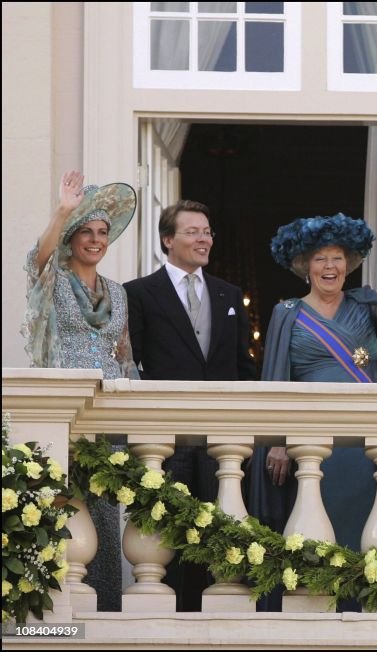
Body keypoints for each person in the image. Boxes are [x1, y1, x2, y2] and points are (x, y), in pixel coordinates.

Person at [249, 211, 377, 611]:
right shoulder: (287, 314)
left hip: (367, 439)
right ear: (304, 266)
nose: (330, 266)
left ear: (349, 264)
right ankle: (315, 609)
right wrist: (278, 441)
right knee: (316, 523)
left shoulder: (366, 307)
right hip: (312, 441)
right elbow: (277, 380)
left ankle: (372, 607)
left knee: (370, 520)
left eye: (337, 258)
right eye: (320, 258)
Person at [124, 199, 257, 611]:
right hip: (167, 435)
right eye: (193, 231)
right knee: (168, 532)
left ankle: (219, 616)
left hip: (222, 437)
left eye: (207, 232)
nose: (204, 239)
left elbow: (243, 365)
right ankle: (170, 615)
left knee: (221, 527)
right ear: (168, 240)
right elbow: (133, 365)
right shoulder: (140, 293)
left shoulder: (228, 293)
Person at [22, 170, 138, 612]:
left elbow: (125, 354)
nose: (95, 239)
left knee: (106, 516)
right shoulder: (51, 279)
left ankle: (103, 607)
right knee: (62, 508)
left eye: (102, 232)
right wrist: (63, 210)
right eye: (85, 231)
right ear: (71, 238)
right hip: (63, 410)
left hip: (107, 414)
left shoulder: (118, 292)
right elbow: (37, 256)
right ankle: (56, 610)